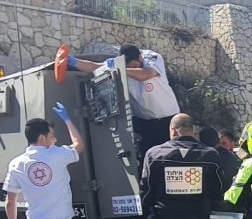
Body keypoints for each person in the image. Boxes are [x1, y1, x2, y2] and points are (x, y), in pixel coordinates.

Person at [65, 44, 180, 172]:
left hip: (167, 118)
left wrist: (122, 69)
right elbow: (96, 68)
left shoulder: (151, 57)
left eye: (135, 67)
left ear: (140, 58)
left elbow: (146, 74)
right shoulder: (119, 64)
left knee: (172, 158)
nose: (133, 71)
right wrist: (73, 62)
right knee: (149, 160)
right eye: (129, 68)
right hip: (145, 121)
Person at [199, 126, 241, 190]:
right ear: (217, 140)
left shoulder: (201, 158)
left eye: (224, 143)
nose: (222, 146)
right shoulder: (230, 157)